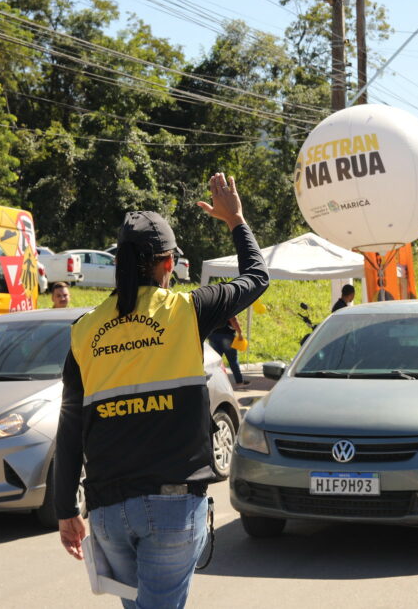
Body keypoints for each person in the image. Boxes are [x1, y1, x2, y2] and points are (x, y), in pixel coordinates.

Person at [54, 173, 268, 606]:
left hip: (108, 510)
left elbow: (71, 426)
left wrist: (64, 509)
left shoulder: (85, 332)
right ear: (168, 264)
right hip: (172, 506)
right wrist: (236, 221)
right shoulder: (188, 310)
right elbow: (257, 277)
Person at [209, 316, 247, 387]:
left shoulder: (212, 304)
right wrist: (240, 332)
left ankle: (215, 383)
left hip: (212, 335)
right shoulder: (227, 305)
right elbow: (233, 319)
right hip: (226, 335)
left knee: (215, 361)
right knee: (233, 360)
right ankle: (239, 382)